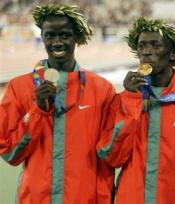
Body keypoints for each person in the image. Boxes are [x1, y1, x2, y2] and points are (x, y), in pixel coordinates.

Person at [0, 4, 115, 203]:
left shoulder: (102, 89)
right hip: (36, 198)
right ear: (42, 37)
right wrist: (38, 110)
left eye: (65, 35)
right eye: (50, 35)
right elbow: (10, 153)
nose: (57, 42)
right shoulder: (19, 87)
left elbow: (110, 156)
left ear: (78, 37)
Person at [96, 17, 175, 203]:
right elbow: (111, 156)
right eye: (142, 46)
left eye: (155, 45)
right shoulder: (123, 100)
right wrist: (131, 99)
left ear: (173, 55)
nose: (146, 52)